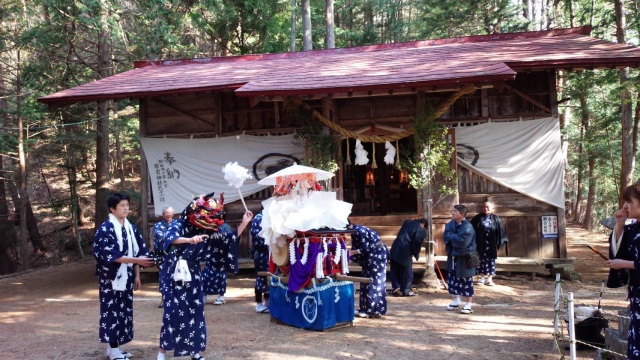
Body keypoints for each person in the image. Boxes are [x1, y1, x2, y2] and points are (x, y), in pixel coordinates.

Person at [157, 192, 252, 360]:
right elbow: (170, 238)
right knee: (172, 311)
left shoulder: (206, 229)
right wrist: (188, 240)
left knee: (196, 311)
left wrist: (244, 223)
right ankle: (162, 351)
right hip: (175, 271)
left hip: (193, 273)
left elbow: (227, 239)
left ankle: (195, 351)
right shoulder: (179, 224)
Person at [93, 192, 155, 360]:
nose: (126, 208)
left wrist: (137, 275)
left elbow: (137, 252)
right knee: (111, 311)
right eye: (122, 205)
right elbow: (112, 256)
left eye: (127, 205)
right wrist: (137, 260)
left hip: (127, 276)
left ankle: (114, 348)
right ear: (112, 209)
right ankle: (113, 350)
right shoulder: (105, 229)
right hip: (111, 278)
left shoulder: (130, 227)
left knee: (123, 311)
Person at [606, 185, 640, 359]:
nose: (625, 206)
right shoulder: (633, 228)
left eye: (629, 201)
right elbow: (619, 252)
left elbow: (626, 260)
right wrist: (619, 225)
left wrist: (627, 264)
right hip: (637, 296)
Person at [350, 223, 388, 318]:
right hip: (371, 257)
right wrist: (349, 257)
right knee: (365, 282)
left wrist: (353, 253)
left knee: (374, 283)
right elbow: (357, 249)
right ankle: (364, 308)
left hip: (376, 256)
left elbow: (366, 249)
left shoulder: (359, 231)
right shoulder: (355, 232)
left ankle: (373, 310)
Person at [444, 204, 476, 315]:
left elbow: (463, 242)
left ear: (462, 214)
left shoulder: (468, 227)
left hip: (464, 256)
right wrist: (454, 237)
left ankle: (468, 303)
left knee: (466, 279)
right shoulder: (450, 224)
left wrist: (452, 236)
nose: (453, 213)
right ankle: (456, 299)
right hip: (453, 255)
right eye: (453, 211)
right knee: (452, 278)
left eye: (455, 211)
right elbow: (445, 236)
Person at [470, 201, 507, 286]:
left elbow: (500, 231)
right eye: (484, 207)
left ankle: (489, 279)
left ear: (492, 209)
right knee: (481, 259)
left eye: (488, 207)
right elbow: (471, 229)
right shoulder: (478, 218)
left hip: (491, 243)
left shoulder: (496, 218)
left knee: (491, 260)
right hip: (481, 242)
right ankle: (482, 278)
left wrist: (500, 241)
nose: (485, 209)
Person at [389, 218, 428, 296]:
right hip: (405, 250)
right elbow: (416, 242)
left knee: (395, 269)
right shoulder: (420, 229)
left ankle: (396, 287)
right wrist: (416, 254)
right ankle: (406, 290)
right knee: (407, 271)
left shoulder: (407, 223)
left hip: (395, 247)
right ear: (423, 224)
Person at [152, 206, 177, 307]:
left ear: (173, 214)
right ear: (163, 215)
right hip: (162, 255)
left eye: (170, 213)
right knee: (163, 275)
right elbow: (160, 236)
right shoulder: (158, 225)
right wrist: (174, 238)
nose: (168, 215)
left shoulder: (177, 224)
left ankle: (176, 297)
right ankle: (164, 297)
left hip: (175, 255)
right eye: (166, 213)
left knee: (176, 275)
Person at [250, 211, 270, 313]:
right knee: (261, 276)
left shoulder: (270, 215)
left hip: (270, 252)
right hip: (261, 252)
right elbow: (257, 236)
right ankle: (258, 303)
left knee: (269, 276)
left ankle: (267, 301)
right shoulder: (259, 217)